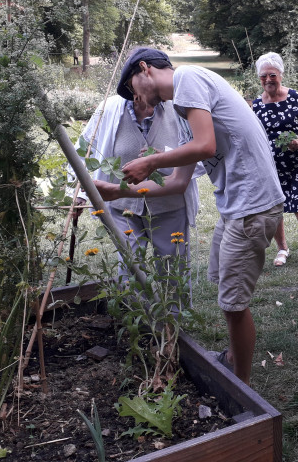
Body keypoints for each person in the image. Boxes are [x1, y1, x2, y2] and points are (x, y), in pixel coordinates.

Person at [118, 47, 285, 385]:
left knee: (234, 304)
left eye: (132, 85)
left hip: (252, 205)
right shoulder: (183, 114)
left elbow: (206, 146)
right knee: (225, 290)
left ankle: (242, 390)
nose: (133, 96)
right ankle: (232, 359)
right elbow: (179, 183)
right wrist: (119, 192)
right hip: (236, 206)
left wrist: (151, 161)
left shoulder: (188, 78)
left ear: (145, 69)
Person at [68, 92, 201, 284]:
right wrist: (78, 192)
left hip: (169, 207)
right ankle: (138, 311)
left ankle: (173, 315)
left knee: (173, 273)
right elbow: (85, 148)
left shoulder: (180, 107)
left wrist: (164, 157)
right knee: (129, 271)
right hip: (123, 207)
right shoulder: (110, 107)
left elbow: (202, 155)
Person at [252, 52, 298, 266]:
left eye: (272, 75)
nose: (268, 80)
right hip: (270, 163)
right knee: (275, 204)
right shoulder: (256, 105)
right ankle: (282, 247)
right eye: (263, 76)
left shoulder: (294, 97)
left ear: (280, 74)